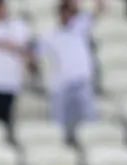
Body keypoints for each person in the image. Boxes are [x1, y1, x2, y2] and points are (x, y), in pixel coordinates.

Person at [36, 0, 105, 139]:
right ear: (60, 14)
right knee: (58, 123)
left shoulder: (80, 26)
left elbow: (100, 9)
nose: (67, 15)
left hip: (82, 82)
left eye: (69, 12)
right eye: (64, 12)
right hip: (62, 85)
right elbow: (35, 55)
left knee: (90, 122)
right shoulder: (50, 35)